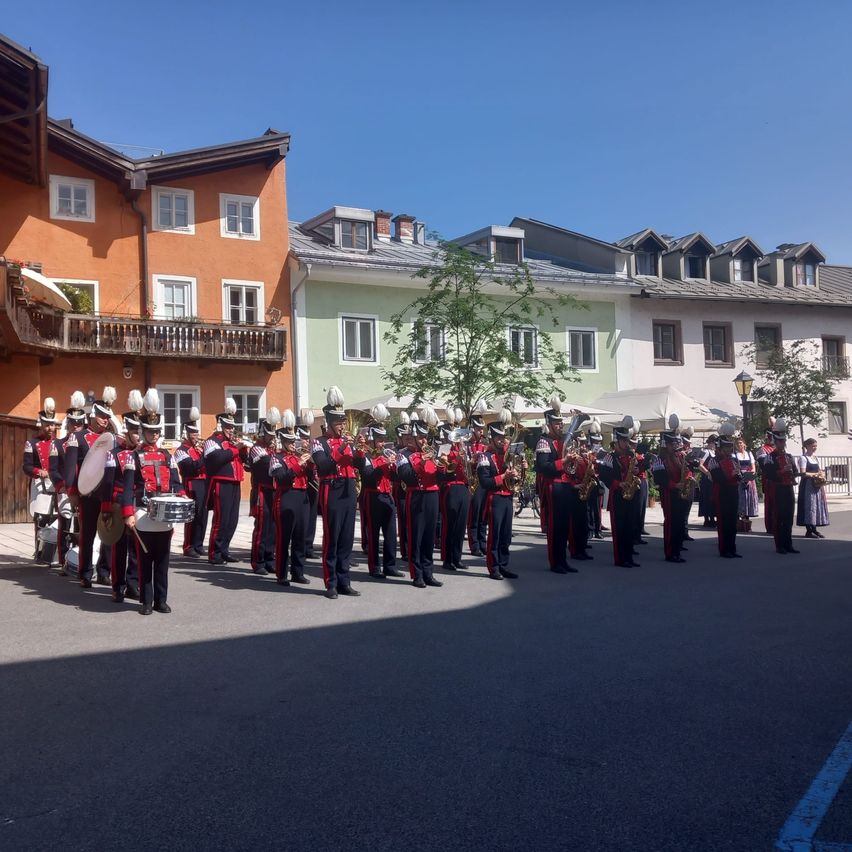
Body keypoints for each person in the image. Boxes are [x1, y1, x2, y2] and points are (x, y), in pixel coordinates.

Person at [121, 389, 186, 615]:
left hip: (165, 515)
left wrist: (182, 495)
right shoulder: (133, 456)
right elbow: (128, 488)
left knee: (163, 560)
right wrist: (128, 513)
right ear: (143, 431)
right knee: (144, 559)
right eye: (150, 431)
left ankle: (161, 600)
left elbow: (176, 484)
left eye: (157, 431)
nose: (154, 435)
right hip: (143, 513)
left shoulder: (168, 456)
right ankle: (146, 602)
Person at [64, 386, 117, 588]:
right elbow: (70, 469)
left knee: (108, 534)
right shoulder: (77, 438)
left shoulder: (112, 439)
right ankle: (85, 573)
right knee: (87, 534)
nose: (105, 420)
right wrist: (72, 493)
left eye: (107, 417)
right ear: (93, 416)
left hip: (106, 493)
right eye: (102, 416)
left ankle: (104, 571)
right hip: (87, 494)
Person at [311, 387, 359, 599]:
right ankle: (330, 582)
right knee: (332, 537)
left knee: (347, 538)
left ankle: (344, 581)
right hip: (332, 488)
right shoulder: (318, 443)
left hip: (349, 489)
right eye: (339, 423)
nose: (342, 426)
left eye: (343, 422)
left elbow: (360, 465)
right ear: (329, 423)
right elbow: (323, 466)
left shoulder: (347, 442)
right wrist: (341, 451)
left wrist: (360, 452)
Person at [353, 407, 403, 579]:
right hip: (372, 496)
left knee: (390, 533)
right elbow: (368, 477)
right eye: (380, 440)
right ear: (372, 440)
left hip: (387, 496)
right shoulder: (365, 457)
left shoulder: (386, 455)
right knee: (373, 533)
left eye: (384, 440)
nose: (383, 444)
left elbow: (396, 478)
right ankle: (374, 567)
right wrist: (383, 466)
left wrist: (396, 467)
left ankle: (390, 566)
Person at [100, 399, 142, 602]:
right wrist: (106, 508)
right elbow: (108, 483)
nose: (138, 436)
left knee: (135, 549)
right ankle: (117, 586)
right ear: (126, 432)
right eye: (135, 431)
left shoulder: (143, 454)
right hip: (117, 503)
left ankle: (133, 584)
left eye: (140, 431)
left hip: (137, 504)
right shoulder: (113, 454)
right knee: (119, 548)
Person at [397, 414, 443, 588]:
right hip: (416, 496)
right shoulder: (404, 455)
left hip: (433, 495)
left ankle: (428, 572)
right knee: (416, 536)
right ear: (413, 438)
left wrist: (444, 466)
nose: (424, 441)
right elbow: (406, 477)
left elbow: (440, 477)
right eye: (421, 437)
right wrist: (421, 462)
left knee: (429, 537)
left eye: (425, 437)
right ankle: (417, 574)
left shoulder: (432, 453)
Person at [478, 414, 526, 580]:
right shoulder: (485, 457)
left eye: (503, 438)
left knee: (506, 534)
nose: (502, 441)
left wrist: (521, 471)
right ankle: (494, 567)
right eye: (498, 438)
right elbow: (485, 482)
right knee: (495, 534)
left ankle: (504, 565)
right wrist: (503, 477)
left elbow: (516, 478)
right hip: (495, 498)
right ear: (491, 438)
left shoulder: (508, 455)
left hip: (507, 497)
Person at [269, 410, 313, 586]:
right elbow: (281, 478)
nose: (293, 445)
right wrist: (299, 464)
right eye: (289, 442)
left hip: (302, 498)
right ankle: (281, 574)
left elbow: (312, 476)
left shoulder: (298, 456)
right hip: (286, 497)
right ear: (281, 441)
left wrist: (310, 463)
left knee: (300, 537)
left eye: (293, 441)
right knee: (283, 538)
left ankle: (298, 572)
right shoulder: (276, 458)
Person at [535, 395, 577, 574]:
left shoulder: (562, 442)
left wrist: (573, 462)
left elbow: (569, 468)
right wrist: (564, 461)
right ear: (550, 424)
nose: (561, 426)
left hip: (565, 485)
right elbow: (543, 467)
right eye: (558, 423)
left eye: (561, 423)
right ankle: (555, 561)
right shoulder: (544, 441)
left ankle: (563, 560)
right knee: (555, 526)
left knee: (565, 525)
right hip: (553, 487)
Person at [203, 398, 248, 565]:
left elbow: (245, 461)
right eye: (228, 427)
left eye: (232, 427)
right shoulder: (212, 441)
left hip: (235, 482)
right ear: (220, 425)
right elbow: (215, 459)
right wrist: (236, 449)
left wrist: (243, 451)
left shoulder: (231, 443)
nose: (231, 430)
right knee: (221, 519)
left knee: (232, 519)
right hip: (221, 483)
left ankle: (225, 549)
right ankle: (214, 552)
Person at [49, 391, 86, 573]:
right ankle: (63, 559)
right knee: (65, 523)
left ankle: (80, 560)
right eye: (73, 423)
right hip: (65, 489)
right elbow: (53, 469)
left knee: (82, 527)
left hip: (84, 489)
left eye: (80, 423)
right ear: (68, 423)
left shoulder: (88, 444)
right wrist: (61, 486)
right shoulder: (56, 445)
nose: (77, 427)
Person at [598, 417, 642, 568]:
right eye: (624, 441)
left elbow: (635, 470)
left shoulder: (630, 456)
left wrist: (636, 470)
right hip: (617, 495)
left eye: (627, 441)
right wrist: (619, 484)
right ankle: (620, 558)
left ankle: (629, 557)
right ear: (616, 442)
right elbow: (604, 476)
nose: (627, 444)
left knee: (630, 527)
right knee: (620, 528)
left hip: (631, 494)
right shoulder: (609, 457)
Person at [651, 416, 692, 564]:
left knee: (680, 521)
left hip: (681, 492)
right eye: (673, 443)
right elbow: (659, 479)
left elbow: (686, 470)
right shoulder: (659, 459)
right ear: (666, 444)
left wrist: (688, 476)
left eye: (677, 443)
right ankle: (670, 552)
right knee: (671, 522)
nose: (676, 446)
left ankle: (677, 549)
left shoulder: (680, 456)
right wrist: (675, 485)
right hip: (669, 493)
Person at [23, 397, 59, 563]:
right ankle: (39, 550)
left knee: (55, 517)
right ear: (41, 424)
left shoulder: (58, 443)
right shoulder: (31, 443)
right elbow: (27, 467)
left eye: (52, 424)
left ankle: (53, 551)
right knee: (40, 518)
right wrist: (40, 472)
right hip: (40, 483)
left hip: (55, 483)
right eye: (47, 424)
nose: (50, 428)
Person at [248, 408, 281, 576]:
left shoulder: (273, 449)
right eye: (270, 435)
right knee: (261, 527)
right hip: (261, 492)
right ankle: (257, 561)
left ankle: (269, 558)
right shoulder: (256, 448)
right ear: (263, 433)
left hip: (274, 492)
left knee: (273, 528)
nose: (273, 438)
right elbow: (267, 463)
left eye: (274, 435)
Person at [438, 414, 472, 571]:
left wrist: (472, 461)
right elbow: (443, 471)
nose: (458, 438)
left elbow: (468, 469)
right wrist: (456, 459)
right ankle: (447, 558)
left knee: (460, 525)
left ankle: (457, 558)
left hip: (463, 487)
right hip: (450, 487)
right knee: (449, 525)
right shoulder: (444, 449)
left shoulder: (463, 448)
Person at [174, 407, 208, 557]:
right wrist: (205, 456)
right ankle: (188, 546)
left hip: (204, 483)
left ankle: (199, 544)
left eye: (197, 433)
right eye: (193, 433)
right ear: (186, 434)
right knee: (191, 516)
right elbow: (191, 468)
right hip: (191, 483)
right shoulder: (181, 450)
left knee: (203, 515)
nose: (197, 436)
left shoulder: (199, 450)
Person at [761, 418, 799, 555]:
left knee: (789, 518)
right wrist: (781, 472)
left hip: (788, 488)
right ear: (775, 442)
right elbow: (769, 474)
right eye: (780, 442)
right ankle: (779, 545)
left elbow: (795, 471)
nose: (782, 444)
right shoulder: (770, 457)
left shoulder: (789, 456)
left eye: (783, 441)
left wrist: (793, 474)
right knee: (779, 517)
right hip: (777, 489)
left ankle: (788, 544)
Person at [707, 424, 742, 558]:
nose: (729, 450)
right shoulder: (714, 461)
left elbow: (738, 476)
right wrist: (732, 475)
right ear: (720, 448)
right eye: (726, 447)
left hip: (733, 492)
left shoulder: (733, 460)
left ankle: (732, 548)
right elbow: (718, 478)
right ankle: (724, 550)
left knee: (733, 522)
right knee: (723, 523)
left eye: (730, 447)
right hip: (722, 494)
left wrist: (739, 475)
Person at [466, 402, 489, 556]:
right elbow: (464, 463)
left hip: (484, 482)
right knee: (474, 514)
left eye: (482, 429)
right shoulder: (466, 444)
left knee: (484, 515)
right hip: (473, 482)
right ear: (471, 429)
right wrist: (471, 460)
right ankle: (474, 544)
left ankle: (483, 542)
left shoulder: (485, 444)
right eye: (478, 429)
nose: (481, 431)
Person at [296, 410, 319, 559]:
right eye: (303, 438)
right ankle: (299, 545)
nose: (306, 441)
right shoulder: (296, 452)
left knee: (312, 517)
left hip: (313, 485)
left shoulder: (310, 449)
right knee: (301, 518)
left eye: (307, 438)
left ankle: (308, 546)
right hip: (300, 487)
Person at [796, 438, 829, 538]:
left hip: (816, 484)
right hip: (808, 485)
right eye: (813, 446)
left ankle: (814, 528)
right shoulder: (803, 458)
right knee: (809, 506)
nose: (815, 448)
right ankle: (809, 529)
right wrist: (815, 474)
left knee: (816, 506)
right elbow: (803, 473)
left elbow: (818, 470)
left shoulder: (815, 457)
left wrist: (821, 473)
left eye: (816, 446)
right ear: (807, 446)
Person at [734, 437, 759, 531]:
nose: (739, 445)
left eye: (741, 443)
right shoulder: (735, 455)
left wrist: (749, 476)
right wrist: (742, 476)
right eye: (737, 443)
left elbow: (753, 467)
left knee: (748, 498)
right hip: (740, 478)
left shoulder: (749, 454)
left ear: (744, 444)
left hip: (749, 478)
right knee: (741, 498)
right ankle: (739, 520)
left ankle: (747, 520)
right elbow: (735, 467)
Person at [755, 427, 775, 535]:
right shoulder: (763, 449)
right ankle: (770, 526)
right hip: (769, 479)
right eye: (771, 437)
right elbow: (764, 465)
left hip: (779, 479)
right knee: (770, 503)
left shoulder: (778, 449)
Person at [697, 435, 717, 528]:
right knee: (706, 498)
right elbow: (700, 465)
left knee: (712, 498)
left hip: (713, 478)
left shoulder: (714, 452)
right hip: (706, 478)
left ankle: (712, 518)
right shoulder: (705, 451)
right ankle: (707, 519)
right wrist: (708, 473)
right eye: (714, 442)